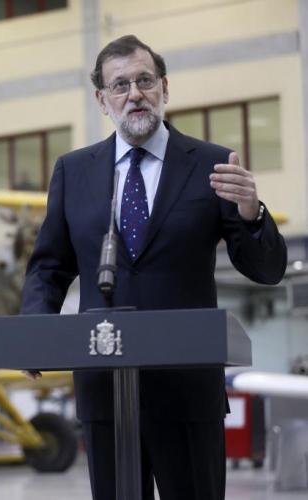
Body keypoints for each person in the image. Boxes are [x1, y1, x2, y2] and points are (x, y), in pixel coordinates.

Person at [21, 35, 287, 500]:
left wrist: (252, 214)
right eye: (120, 85)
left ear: (164, 87)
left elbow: (266, 270)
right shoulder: (74, 171)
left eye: (145, 80)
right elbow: (49, 266)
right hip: (104, 389)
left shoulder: (211, 164)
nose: (134, 94)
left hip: (187, 392)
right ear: (102, 100)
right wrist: (35, 331)